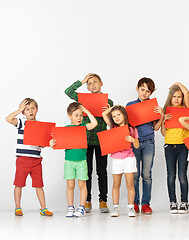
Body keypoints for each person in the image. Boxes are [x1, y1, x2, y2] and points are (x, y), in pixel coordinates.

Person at [65, 73, 113, 213]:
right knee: (87, 172)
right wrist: (82, 80)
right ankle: (87, 200)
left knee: (101, 171)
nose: (92, 84)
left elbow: (113, 123)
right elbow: (68, 91)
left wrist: (107, 112)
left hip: (102, 139)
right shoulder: (82, 100)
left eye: (95, 82)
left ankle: (103, 200)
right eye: (89, 83)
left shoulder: (108, 102)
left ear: (101, 83)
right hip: (85, 140)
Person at [5, 98, 53, 216]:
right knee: (19, 184)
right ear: (23, 112)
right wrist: (19, 109)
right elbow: (8, 119)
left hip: (36, 160)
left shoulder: (41, 126)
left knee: (39, 185)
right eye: (27, 109)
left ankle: (43, 208)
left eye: (32, 108)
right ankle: (17, 207)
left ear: (37, 110)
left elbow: (41, 144)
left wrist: (49, 144)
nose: (30, 111)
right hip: (22, 159)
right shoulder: (22, 122)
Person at [50, 102, 98, 218]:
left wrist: (86, 111)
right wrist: (51, 143)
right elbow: (54, 142)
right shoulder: (65, 129)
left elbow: (95, 123)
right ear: (69, 115)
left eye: (81, 115)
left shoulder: (83, 127)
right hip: (69, 161)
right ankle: (70, 207)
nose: (79, 118)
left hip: (82, 161)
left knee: (82, 184)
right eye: (76, 115)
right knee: (70, 185)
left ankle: (81, 207)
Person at [126, 77, 164, 214]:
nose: (144, 93)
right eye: (142, 90)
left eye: (148, 91)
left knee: (147, 174)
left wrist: (161, 115)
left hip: (148, 142)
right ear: (137, 89)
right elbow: (126, 125)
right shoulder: (130, 105)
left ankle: (146, 204)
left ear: (151, 94)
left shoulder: (152, 107)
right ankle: (134, 203)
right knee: (135, 175)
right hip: (134, 143)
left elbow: (156, 128)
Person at [102, 105, 139, 217]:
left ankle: (131, 207)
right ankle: (115, 207)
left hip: (129, 158)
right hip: (116, 160)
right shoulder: (113, 129)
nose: (116, 118)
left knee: (130, 184)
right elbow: (104, 114)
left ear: (124, 115)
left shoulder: (132, 129)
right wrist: (113, 107)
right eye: (114, 116)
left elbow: (137, 146)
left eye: (118, 114)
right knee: (116, 184)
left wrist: (132, 140)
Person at [160, 83, 189, 214]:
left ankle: (184, 202)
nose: (177, 99)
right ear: (170, 98)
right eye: (174, 96)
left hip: (183, 146)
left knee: (182, 176)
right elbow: (163, 133)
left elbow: (188, 94)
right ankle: (172, 202)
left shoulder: (185, 109)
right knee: (171, 176)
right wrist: (163, 119)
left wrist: (178, 84)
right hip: (169, 146)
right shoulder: (166, 111)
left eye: (179, 96)